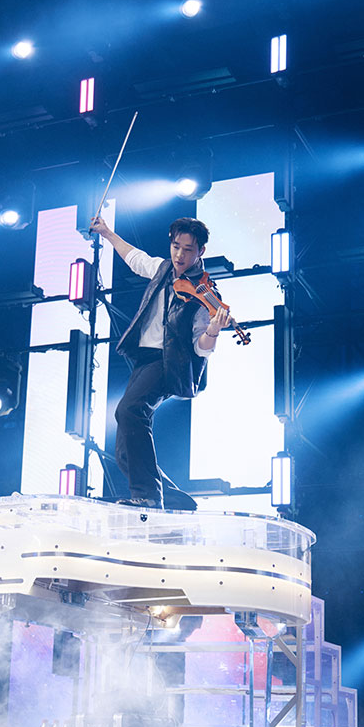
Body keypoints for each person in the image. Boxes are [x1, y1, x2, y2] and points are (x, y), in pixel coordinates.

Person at [89, 214, 229, 510]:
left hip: (170, 362)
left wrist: (213, 331)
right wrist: (107, 233)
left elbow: (201, 349)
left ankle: (148, 496)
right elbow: (135, 259)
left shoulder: (204, 294)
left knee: (130, 410)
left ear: (201, 251)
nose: (180, 255)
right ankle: (177, 500)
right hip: (146, 358)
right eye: (176, 247)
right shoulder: (163, 269)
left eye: (188, 250)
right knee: (124, 446)